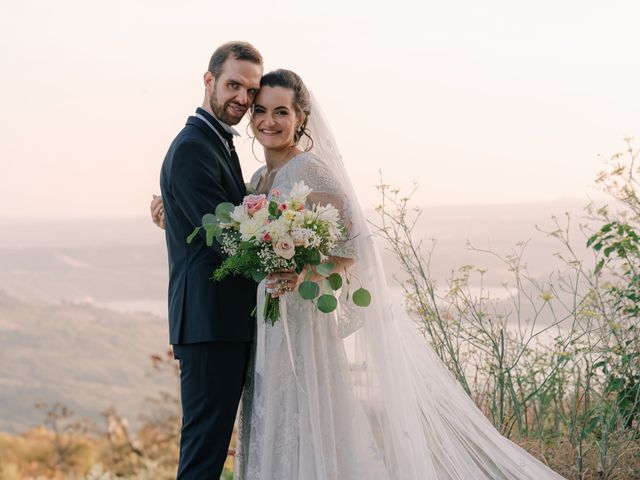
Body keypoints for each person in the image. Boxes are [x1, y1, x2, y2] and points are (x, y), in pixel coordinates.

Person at [153, 69, 566, 479]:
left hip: (301, 326)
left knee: (304, 420)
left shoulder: (311, 171)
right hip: (267, 329)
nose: (268, 121)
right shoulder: (260, 179)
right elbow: (229, 224)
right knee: (272, 420)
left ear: (301, 118)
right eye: (260, 110)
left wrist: (305, 276)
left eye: (281, 112)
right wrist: (169, 208)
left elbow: (353, 246)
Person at [156, 41, 262, 479]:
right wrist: (287, 254)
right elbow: (224, 241)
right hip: (209, 325)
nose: (242, 97)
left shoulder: (213, 143)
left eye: (250, 90)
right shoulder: (195, 147)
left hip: (221, 323)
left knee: (211, 447)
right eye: (233, 84)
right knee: (203, 455)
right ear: (209, 81)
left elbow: (204, 219)